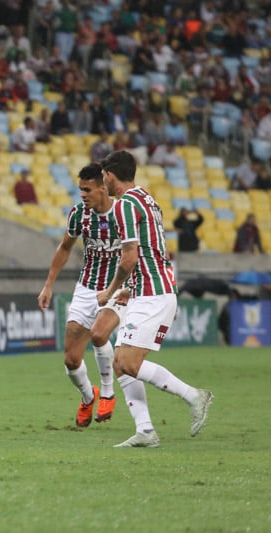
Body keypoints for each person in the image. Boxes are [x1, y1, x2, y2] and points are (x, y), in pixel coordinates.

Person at [97, 150, 213, 448]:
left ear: (110, 175)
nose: (103, 184)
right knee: (120, 362)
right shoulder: (146, 197)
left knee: (129, 363)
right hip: (147, 289)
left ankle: (194, 396)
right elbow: (152, 251)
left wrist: (110, 291)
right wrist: (130, 288)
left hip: (153, 294)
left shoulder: (124, 205)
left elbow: (129, 258)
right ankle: (145, 430)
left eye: (103, 178)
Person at [38, 163, 125, 428]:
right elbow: (65, 247)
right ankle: (89, 396)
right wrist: (49, 284)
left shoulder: (122, 213)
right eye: (80, 190)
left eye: (87, 190)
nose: (83, 195)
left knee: (99, 334)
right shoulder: (79, 214)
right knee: (71, 359)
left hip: (116, 287)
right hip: (86, 287)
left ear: (103, 187)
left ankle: (108, 393)